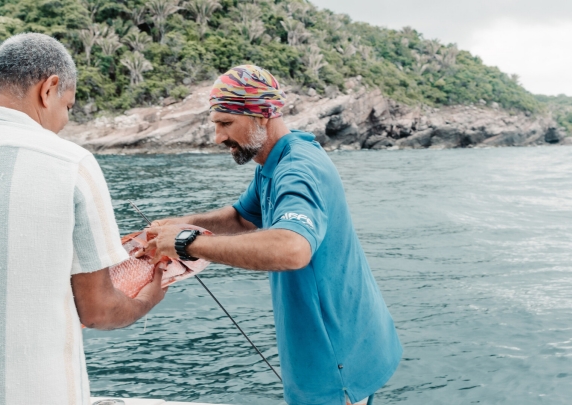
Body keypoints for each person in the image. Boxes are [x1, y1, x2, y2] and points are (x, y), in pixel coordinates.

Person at [0, 33, 166, 404]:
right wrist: (150, 297)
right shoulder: (71, 163)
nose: (64, 121)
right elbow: (99, 309)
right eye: (68, 107)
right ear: (49, 89)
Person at [141, 65, 402, 405]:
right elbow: (242, 217)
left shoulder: (298, 169)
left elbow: (293, 248)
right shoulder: (274, 163)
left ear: (262, 116)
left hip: (335, 359)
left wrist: (187, 245)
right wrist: (181, 222)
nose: (218, 137)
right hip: (349, 341)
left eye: (225, 123)